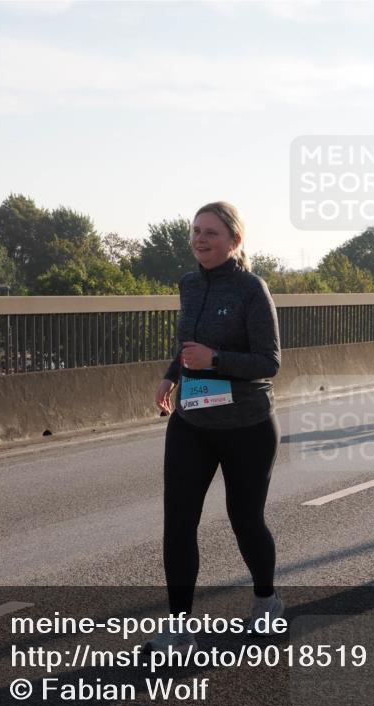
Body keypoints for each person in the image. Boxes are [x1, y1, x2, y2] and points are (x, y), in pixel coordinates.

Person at [147, 201, 283, 654]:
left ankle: (266, 600)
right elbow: (188, 345)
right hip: (191, 422)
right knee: (178, 524)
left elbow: (269, 361)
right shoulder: (188, 284)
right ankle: (179, 626)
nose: (199, 240)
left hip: (246, 424)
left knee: (245, 520)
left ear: (234, 241)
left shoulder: (251, 289)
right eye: (195, 231)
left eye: (211, 233)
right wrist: (172, 373)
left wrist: (216, 360)